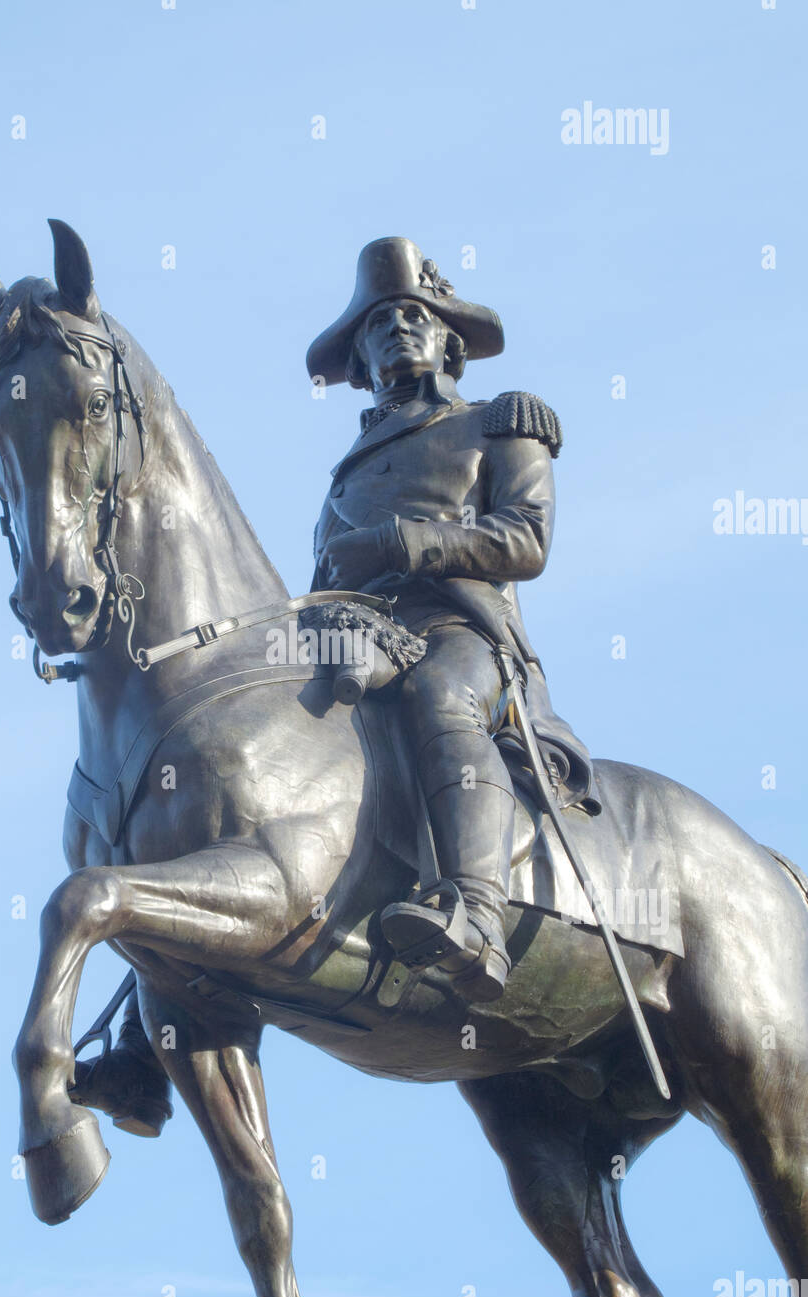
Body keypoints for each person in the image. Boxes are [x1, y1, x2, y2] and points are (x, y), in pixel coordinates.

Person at [308, 238, 596, 1001]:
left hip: (461, 633)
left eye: (414, 316)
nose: (397, 329)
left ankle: (474, 916)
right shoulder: (347, 474)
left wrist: (402, 542)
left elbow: (524, 541)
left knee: (441, 695)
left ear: (447, 340)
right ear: (362, 361)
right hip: (360, 636)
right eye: (377, 325)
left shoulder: (499, 422)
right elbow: (322, 580)